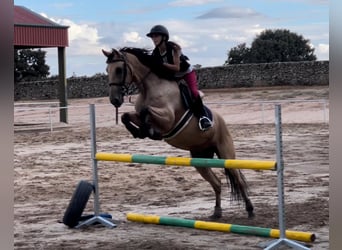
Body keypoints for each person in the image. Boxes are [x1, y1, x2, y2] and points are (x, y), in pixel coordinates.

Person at [146, 24, 213, 131]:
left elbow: (176, 68)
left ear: (164, 37)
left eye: (156, 36)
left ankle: (203, 117)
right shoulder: (155, 53)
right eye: (152, 37)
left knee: (193, 92)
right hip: (173, 76)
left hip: (186, 73)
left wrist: (161, 64)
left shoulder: (173, 48)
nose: (154, 39)